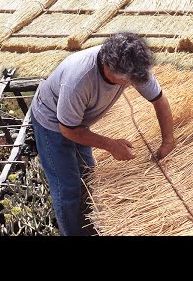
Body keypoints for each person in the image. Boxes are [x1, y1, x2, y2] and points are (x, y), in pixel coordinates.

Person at [30, 32, 175, 236]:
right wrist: (110, 145)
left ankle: (89, 222)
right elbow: (67, 130)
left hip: (78, 121)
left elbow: (159, 100)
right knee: (68, 188)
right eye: (128, 82)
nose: (131, 85)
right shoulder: (79, 80)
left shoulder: (132, 67)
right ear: (110, 68)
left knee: (87, 173)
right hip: (51, 122)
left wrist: (168, 140)